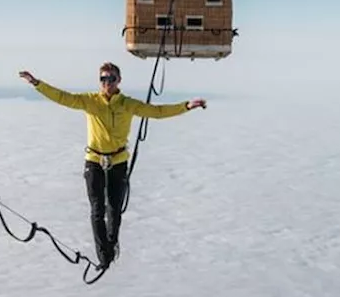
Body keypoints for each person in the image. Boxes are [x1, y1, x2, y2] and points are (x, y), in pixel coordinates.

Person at [17, 63, 207, 269]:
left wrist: (186, 106)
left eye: (111, 79)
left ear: (119, 80)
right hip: (94, 161)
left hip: (117, 162)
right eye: (103, 79)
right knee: (97, 209)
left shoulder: (127, 104)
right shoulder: (90, 101)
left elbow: (157, 111)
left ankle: (111, 245)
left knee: (114, 210)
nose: (107, 83)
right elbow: (63, 97)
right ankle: (104, 256)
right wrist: (36, 83)